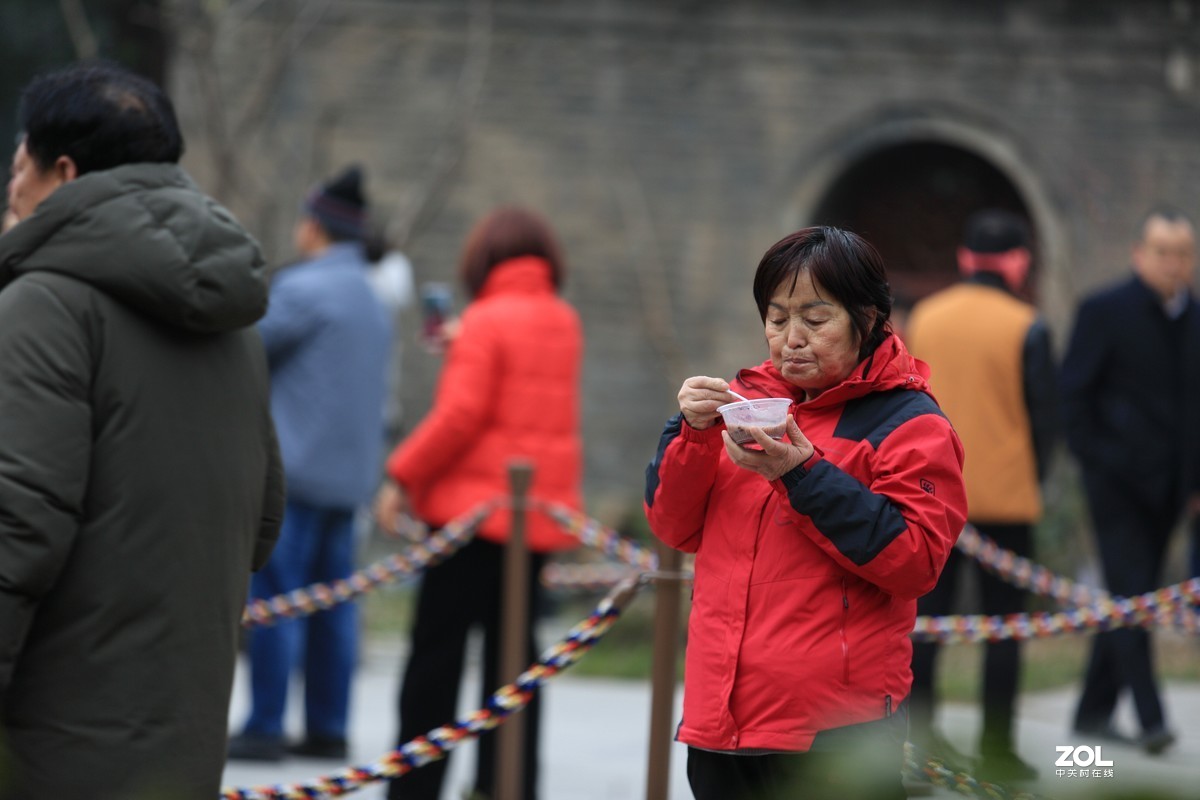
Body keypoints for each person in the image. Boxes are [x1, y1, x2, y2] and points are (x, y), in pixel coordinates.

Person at [0, 61, 283, 800]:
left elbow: (13, 529)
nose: (11, 187)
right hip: (182, 739)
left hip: (49, 739)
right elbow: (261, 525)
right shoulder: (235, 324)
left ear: (62, 172)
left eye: (16, 164)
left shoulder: (47, 306)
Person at [644, 226, 968, 800]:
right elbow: (674, 527)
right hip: (719, 720)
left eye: (815, 321)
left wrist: (800, 474)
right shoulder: (744, 406)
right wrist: (692, 434)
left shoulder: (910, 422)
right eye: (776, 319)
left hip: (835, 734)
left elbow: (915, 562)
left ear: (867, 319)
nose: (791, 338)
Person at [373, 207, 584, 800]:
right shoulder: (564, 321)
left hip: (472, 518)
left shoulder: (486, 321)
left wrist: (400, 476)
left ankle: (414, 791)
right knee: (514, 669)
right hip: (534, 518)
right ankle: (507, 786)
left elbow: (461, 416)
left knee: (433, 667)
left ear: (484, 258)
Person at [228, 166, 393, 761]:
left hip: (294, 476)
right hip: (348, 481)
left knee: (276, 600)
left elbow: (244, 351)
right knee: (331, 607)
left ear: (316, 228)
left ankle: (266, 724)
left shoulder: (303, 289)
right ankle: (328, 726)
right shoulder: (372, 299)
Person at [904, 209, 1058, 783]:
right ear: (1018, 262)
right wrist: (1029, 477)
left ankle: (918, 750)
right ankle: (997, 748)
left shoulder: (925, 317)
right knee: (1006, 630)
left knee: (925, 626)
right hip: (1006, 504)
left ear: (966, 259)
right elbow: (1046, 420)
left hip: (932, 497)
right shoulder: (1029, 325)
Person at [1061, 207, 1200, 755]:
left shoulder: (1194, 319)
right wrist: (1096, 459)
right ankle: (1151, 719)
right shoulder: (1104, 311)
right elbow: (1074, 392)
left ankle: (1092, 714)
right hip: (1115, 485)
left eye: (1183, 253)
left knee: (1130, 595)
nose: (1173, 264)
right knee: (1135, 595)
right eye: (1163, 252)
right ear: (1139, 254)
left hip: (1173, 488)